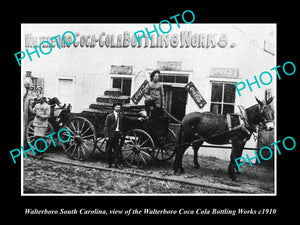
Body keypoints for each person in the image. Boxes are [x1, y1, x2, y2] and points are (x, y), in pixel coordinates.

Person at [104, 102, 144, 169]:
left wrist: (138, 119)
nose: (118, 108)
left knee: (117, 150)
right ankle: (109, 164)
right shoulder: (109, 116)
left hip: (117, 134)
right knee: (109, 150)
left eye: (119, 107)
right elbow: (106, 127)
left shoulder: (121, 116)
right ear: (114, 108)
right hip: (111, 135)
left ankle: (117, 164)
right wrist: (107, 136)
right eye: (117, 107)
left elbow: (129, 118)